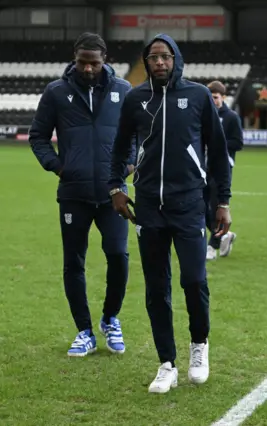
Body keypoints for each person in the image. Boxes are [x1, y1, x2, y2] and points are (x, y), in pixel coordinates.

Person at [108, 33, 232, 393]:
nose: (160, 63)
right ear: (146, 62)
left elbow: (219, 152)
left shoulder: (197, 96)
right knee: (156, 288)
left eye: (166, 56)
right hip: (148, 208)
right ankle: (166, 363)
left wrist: (221, 202)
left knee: (194, 280)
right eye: (153, 58)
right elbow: (119, 149)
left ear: (176, 59)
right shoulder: (135, 99)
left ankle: (199, 346)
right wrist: (116, 188)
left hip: (190, 204)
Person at [28, 32, 135, 357]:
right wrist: (60, 168)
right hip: (73, 193)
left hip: (113, 193)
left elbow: (137, 135)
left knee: (118, 256)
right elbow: (38, 136)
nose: (88, 69)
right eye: (82, 62)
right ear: (74, 59)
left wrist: (128, 166)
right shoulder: (57, 92)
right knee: (73, 262)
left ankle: (110, 318)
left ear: (105, 60)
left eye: (94, 63)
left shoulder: (123, 90)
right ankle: (84, 330)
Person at [204, 80, 243, 260]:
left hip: (222, 167)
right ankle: (224, 235)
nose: (214, 101)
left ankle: (212, 246)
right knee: (202, 207)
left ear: (224, 98)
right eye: (210, 98)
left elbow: (238, 142)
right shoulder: (202, 115)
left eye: (216, 98)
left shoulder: (231, 117)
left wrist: (219, 146)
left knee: (215, 205)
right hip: (203, 166)